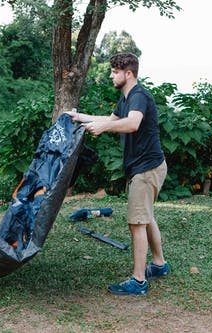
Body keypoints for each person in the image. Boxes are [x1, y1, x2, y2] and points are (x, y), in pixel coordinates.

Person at [65, 53, 169, 296]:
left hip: (146, 168)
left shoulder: (139, 96)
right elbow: (110, 119)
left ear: (128, 74)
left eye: (114, 71)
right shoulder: (126, 98)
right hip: (146, 166)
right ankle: (159, 265)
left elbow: (132, 123)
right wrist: (80, 117)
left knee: (137, 223)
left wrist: (104, 127)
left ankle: (139, 281)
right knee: (147, 217)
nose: (111, 75)